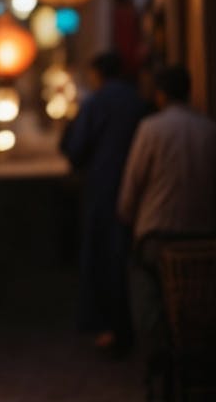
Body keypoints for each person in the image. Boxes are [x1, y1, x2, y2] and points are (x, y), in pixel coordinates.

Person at [118, 64, 216, 395]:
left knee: (145, 289)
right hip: (203, 237)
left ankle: (156, 358)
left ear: (161, 94)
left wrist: (126, 218)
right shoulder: (211, 129)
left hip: (158, 235)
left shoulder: (151, 129)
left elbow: (131, 188)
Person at [61, 50, 148, 353]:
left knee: (105, 256)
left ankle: (113, 329)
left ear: (98, 74)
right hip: (141, 189)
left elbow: (76, 147)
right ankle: (135, 326)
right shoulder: (139, 101)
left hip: (103, 187)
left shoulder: (96, 103)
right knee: (129, 257)